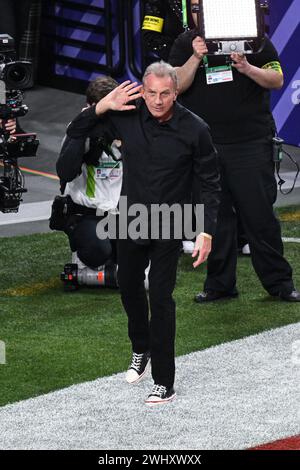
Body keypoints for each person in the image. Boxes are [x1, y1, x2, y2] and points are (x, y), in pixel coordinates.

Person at [65, 61, 221, 405]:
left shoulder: (196, 129)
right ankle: (141, 349)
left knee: (161, 298)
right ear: (144, 90)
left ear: (176, 92)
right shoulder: (126, 113)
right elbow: (77, 130)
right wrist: (102, 106)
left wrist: (205, 231)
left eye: (165, 93)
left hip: (172, 218)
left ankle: (164, 381)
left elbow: (210, 182)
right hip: (131, 215)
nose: (157, 100)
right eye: (151, 93)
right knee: (128, 285)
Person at [168, 1, 300, 303]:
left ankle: (279, 284)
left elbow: (277, 79)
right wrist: (195, 56)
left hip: (250, 144)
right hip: (205, 147)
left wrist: (246, 66)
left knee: (260, 217)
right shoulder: (185, 43)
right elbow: (176, 84)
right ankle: (219, 285)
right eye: (198, 9)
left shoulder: (255, 41)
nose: (202, 15)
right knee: (214, 221)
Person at [56, 76, 122, 272]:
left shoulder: (127, 127)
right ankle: (82, 252)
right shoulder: (77, 129)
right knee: (97, 252)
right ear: (91, 106)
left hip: (123, 211)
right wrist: (85, 128)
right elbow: (65, 172)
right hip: (87, 213)